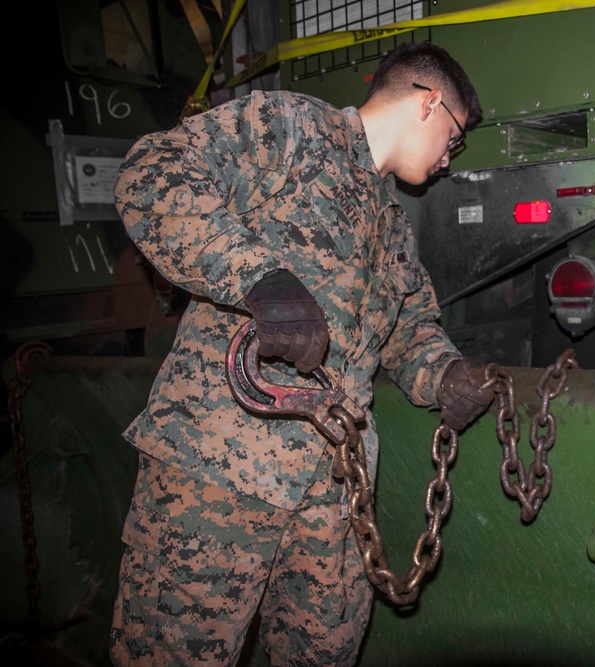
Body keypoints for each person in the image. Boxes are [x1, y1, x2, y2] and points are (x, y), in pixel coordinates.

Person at [110, 42, 494, 666]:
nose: (451, 159)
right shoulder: (291, 130)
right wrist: (257, 277)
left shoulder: (392, 229)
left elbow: (409, 330)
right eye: (456, 137)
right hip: (220, 474)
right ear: (429, 105)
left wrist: (445, 373)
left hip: (336, 496)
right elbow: (153, 172)